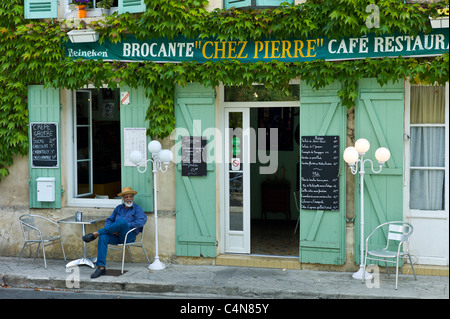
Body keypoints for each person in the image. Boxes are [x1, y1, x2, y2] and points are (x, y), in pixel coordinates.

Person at [82, 186, 147, 279]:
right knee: (103, 237)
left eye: (131, 196)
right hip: (116, 236)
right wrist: (112, 230)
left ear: (133, 197)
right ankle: (101, 267)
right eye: (126, 197)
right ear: (123, 198)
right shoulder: (118, 208)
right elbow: (109, 220)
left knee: (122, 222)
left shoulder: (137, 209)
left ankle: (96, 233)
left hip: (129, 236)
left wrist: (123, 227)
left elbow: (141, 222)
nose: (129, 199)